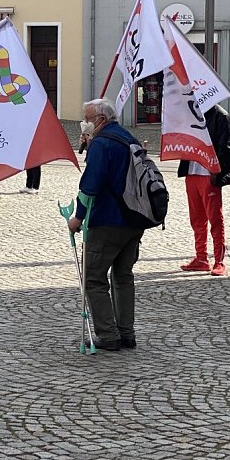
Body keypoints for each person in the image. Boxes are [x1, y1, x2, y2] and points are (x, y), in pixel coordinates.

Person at [67, 99, 144, 351]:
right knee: (123, 276)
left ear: (100, 120)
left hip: (107, 221)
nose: (84, 123)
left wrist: (77, 217)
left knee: (94, 278)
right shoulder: (127, 138)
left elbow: (90, 185)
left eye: (87, 118)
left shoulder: (102, 144)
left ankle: (108, 336)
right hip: (134, 219)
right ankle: (126, 333)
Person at [177, 104, 230, 277]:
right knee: (196, 218)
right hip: (192, 171)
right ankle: (201, 258)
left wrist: (216, 171)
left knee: (215, 218)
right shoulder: (191, 113)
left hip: (209, 174)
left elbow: (225, 147)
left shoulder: (221, 116)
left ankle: (219, 261)